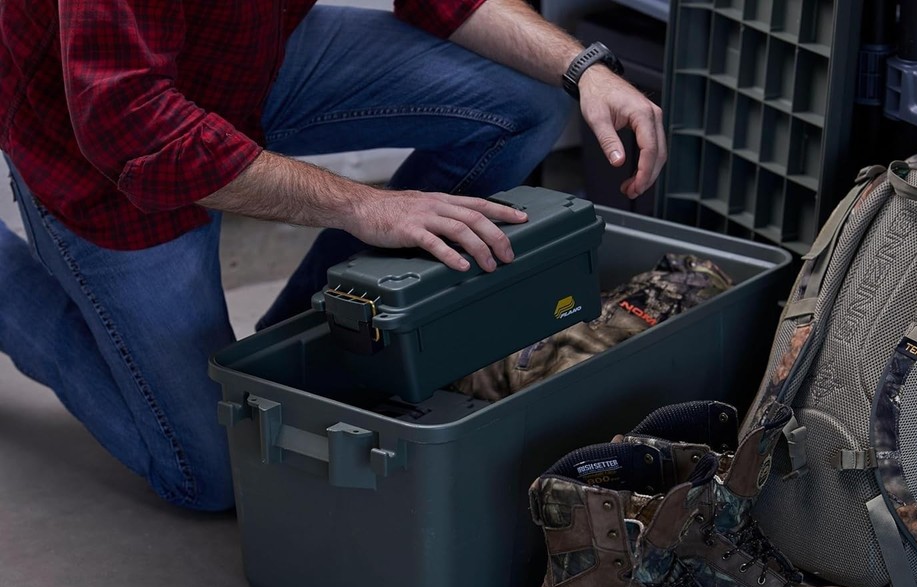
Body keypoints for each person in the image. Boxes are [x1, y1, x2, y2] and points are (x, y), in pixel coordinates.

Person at [0, 0, 667, 511]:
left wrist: (587, 70)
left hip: (245, 59)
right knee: (212, 475)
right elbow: (128, 125)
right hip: (97, 146)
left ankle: (306, 342)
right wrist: (365, 206)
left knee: (525, 101)